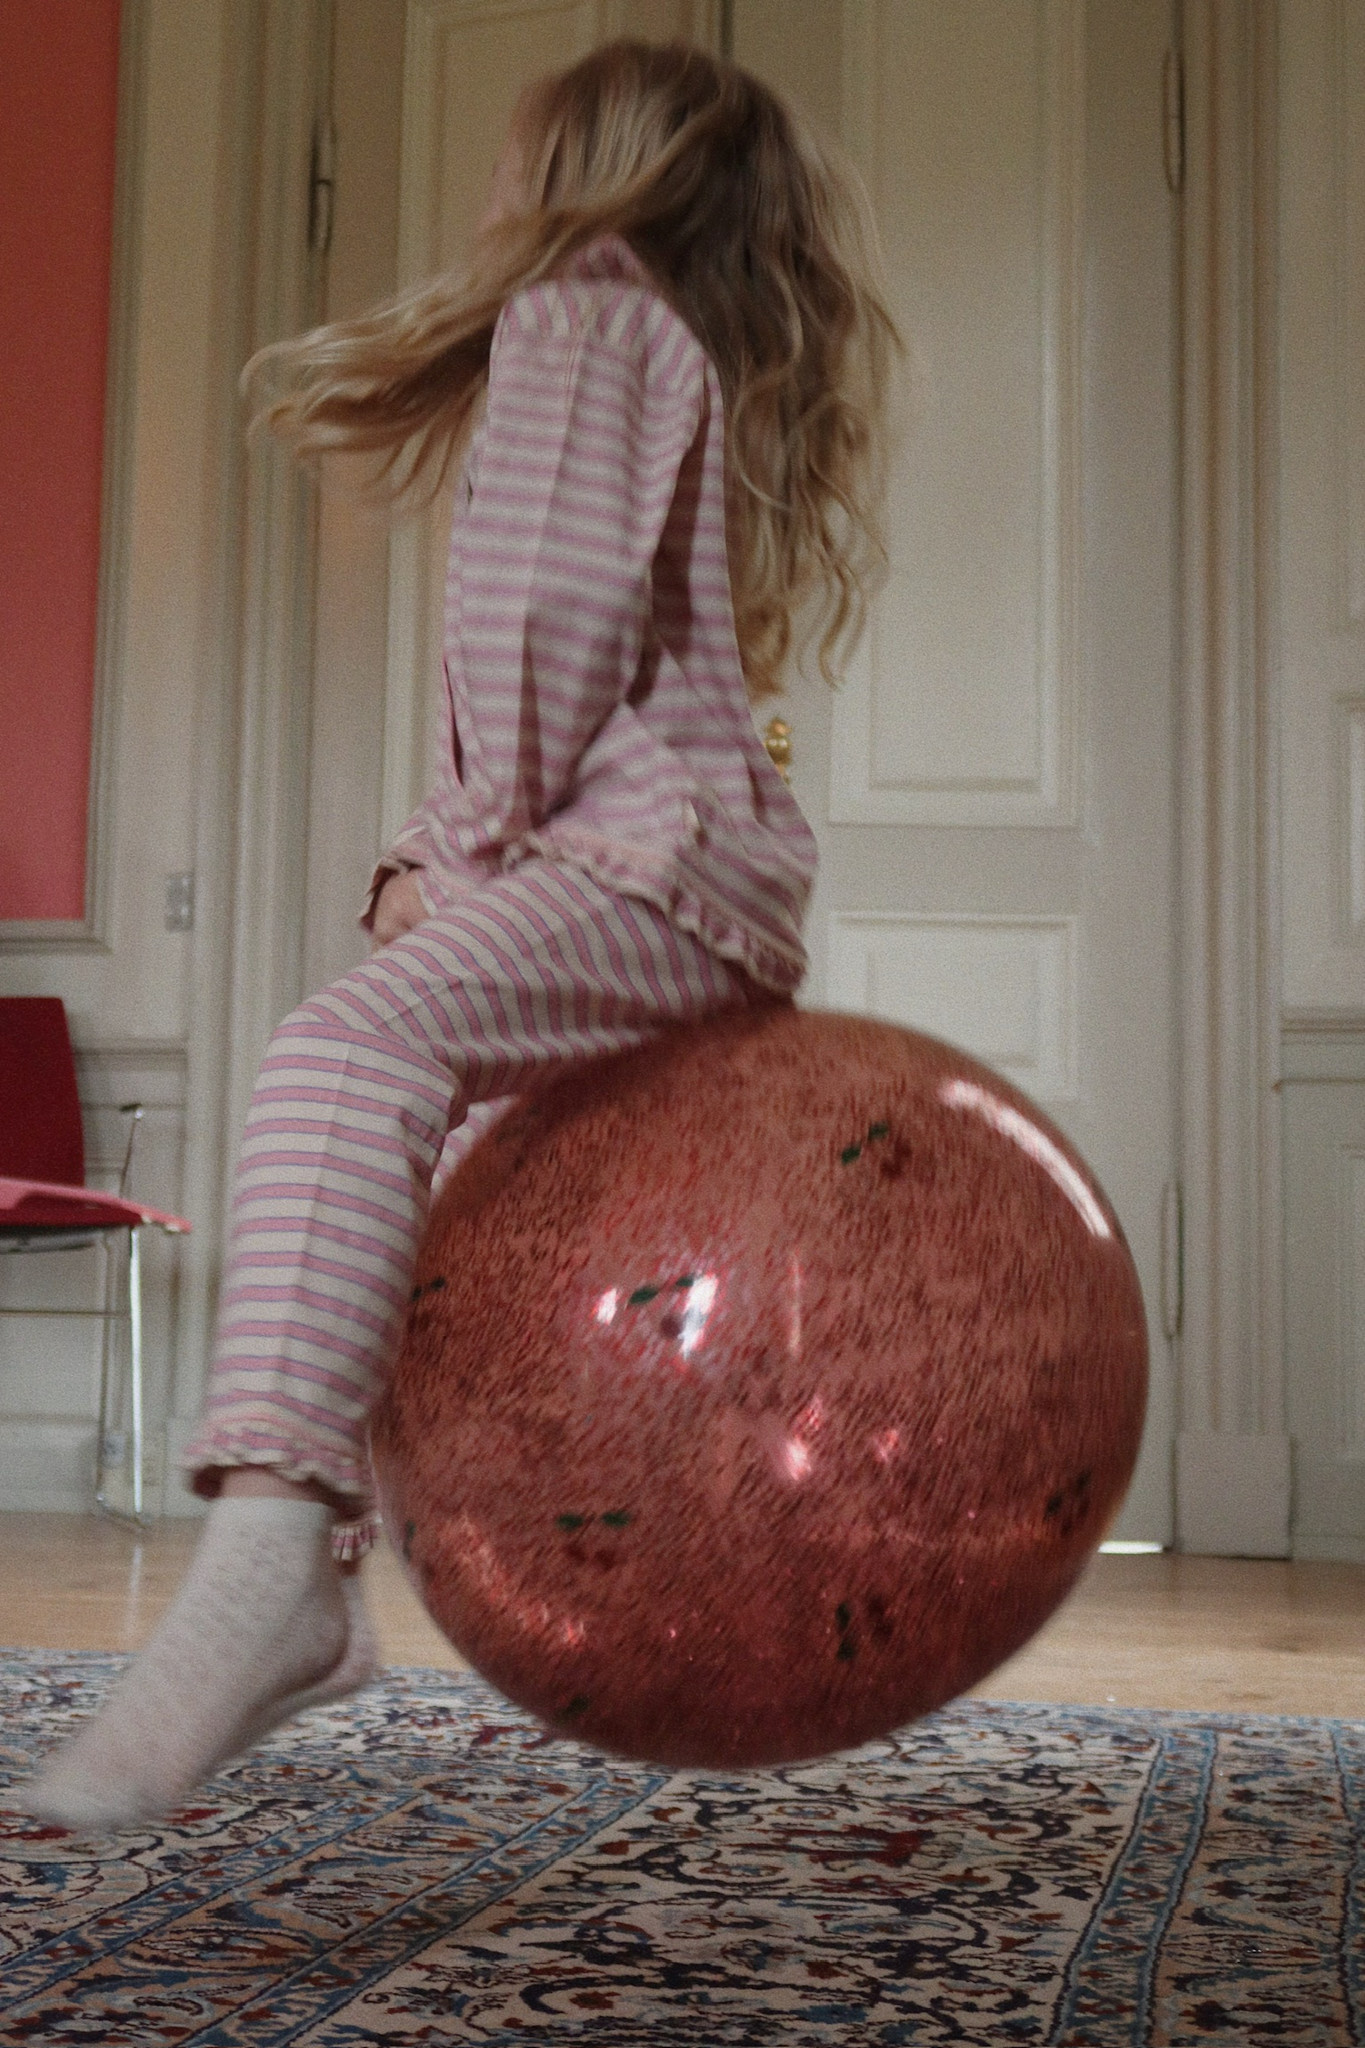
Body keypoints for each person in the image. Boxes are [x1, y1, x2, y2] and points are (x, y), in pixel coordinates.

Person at [22, 38, 899, 1829]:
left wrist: (470, 850)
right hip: (700, 887)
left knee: (341, 1046)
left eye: (518, 155)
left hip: (640, 870)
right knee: (431, 1203)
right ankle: (357, 1575)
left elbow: (543, 626)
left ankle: (273, 1570)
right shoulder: (668, 341)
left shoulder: (587, 309)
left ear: (578, 167)